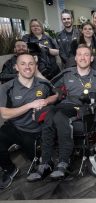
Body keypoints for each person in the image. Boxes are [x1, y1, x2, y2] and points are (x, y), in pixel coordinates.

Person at [27, 44, 96, 181]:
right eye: (79, 54)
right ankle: (45, 163)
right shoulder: (67, 73)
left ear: (91, 58)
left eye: (86, 54)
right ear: (75, 58)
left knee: (57, 116)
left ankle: (63, 162)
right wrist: (41, 100)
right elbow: (49, 85)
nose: (82, 57)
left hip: (83, 109)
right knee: (49, 115)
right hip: (63, 106)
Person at [0, 53, 57, 189]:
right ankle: (10, 169)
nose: (27, 67)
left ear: (35, 66)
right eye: (23, 63)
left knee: (42, 165)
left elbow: (56, 95)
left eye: (31, 63)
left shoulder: (43, 84)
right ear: (16, 67)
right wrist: (30, 105)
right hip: (15, 127)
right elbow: (4, 114)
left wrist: (46, 101)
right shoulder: (6, 87)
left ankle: (37, 156)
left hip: (36, 131)